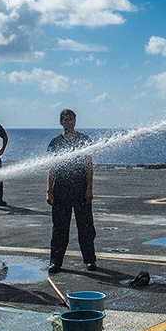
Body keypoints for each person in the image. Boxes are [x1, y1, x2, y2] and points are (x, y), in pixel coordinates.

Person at [46, 108, 98, 273]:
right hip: (61, 188)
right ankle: (56, 261)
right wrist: (49, 190)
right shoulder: (55, 143)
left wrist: (89, 188)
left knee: (86, 226)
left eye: (71, 119)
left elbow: (89, 166)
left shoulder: (84, 140)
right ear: (61, 122)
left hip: (80, 187)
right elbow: (51, 167)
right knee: (60, 227)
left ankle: (90, 260)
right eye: (65, 119)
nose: (68, 122)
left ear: (75, 120)